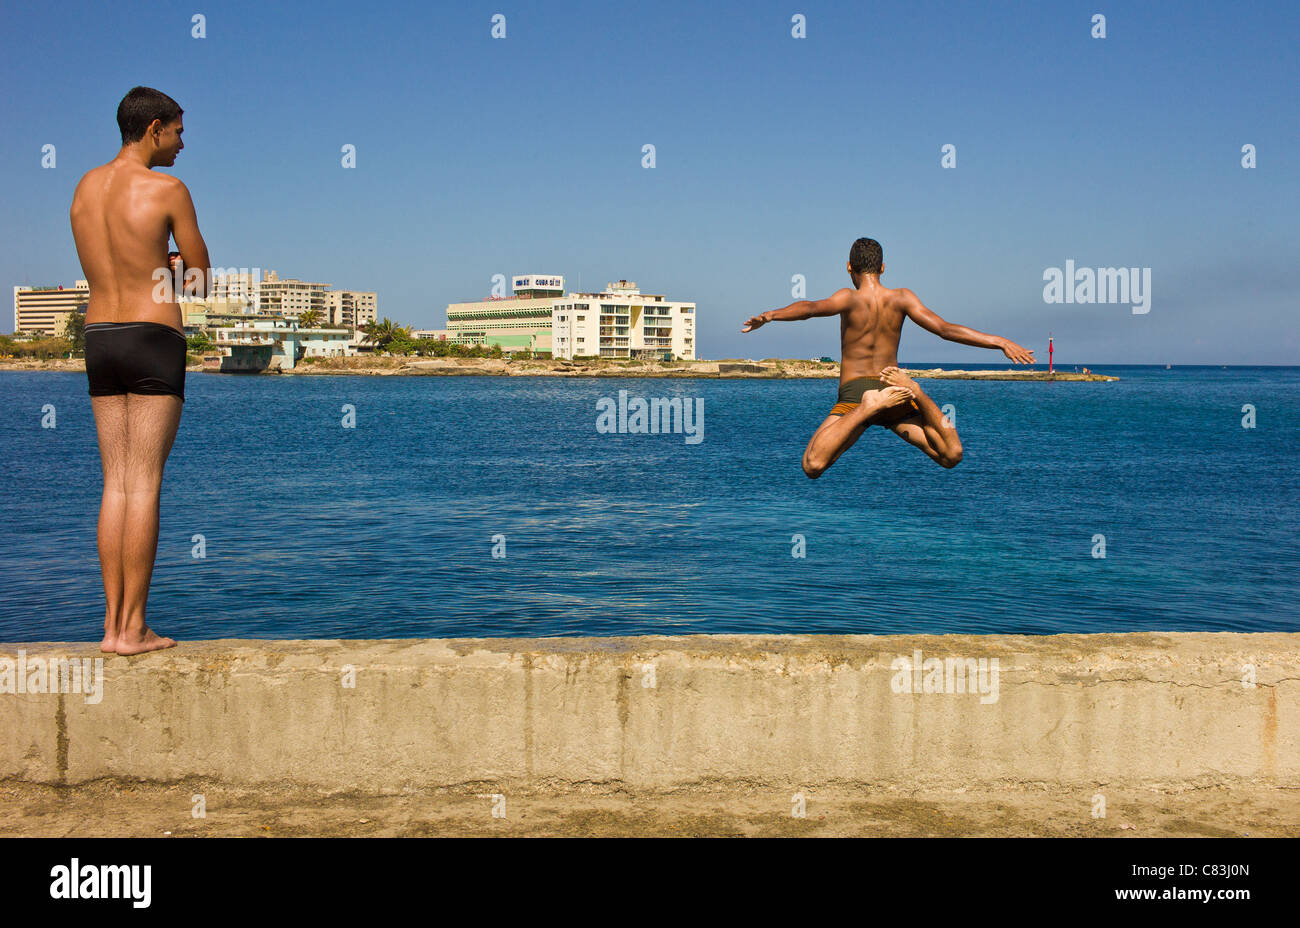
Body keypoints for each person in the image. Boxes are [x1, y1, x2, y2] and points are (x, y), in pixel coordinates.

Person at [69, 86, 210, 654]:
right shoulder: (168, 188)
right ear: (154, 128)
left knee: (116, 482)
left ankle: (110, 628)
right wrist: (174, 268)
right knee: (145, 482)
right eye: (178, 131)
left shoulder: (83, 189)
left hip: (100, 335)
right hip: (153, 336)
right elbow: (198, 282)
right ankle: (135, 628)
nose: (182, 143)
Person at [742, 237, 1034, 478]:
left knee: (813, 464)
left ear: (848, 267)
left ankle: (867, 411)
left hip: (857, 395)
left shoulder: (848, 298)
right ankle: (913, 390)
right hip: (894, 388)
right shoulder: (902, 298)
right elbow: (945, 329)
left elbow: (809, 308)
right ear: (882, 267)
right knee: (949, 456)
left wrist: (770, 316)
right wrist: (999, 342)